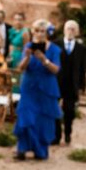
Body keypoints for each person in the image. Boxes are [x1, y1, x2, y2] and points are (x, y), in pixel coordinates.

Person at [14, 19, 62, 160]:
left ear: (47, 33)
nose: (39, 34)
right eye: (37, 31)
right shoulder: (28, 46)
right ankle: (22, 149)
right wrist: (28, 57)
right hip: (29, 86)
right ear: (33, 32)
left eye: (42, 31)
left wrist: (44, 60)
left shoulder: (54, 49)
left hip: (46, 87)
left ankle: (40, 150)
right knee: (25, 114)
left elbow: (56, 69)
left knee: (43, 119)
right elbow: (20, 68)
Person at [53, 20, 86, 145]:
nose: (70, 31)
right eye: (68, 28)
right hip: (57, 82)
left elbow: (83, 69)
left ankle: (67, 133)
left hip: (71, 84)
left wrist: (81, 86)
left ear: (77, 32)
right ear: (64, 30)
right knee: (55, 109)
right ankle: (56, 135)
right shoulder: (56, 44)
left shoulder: (81, 48)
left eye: (73, 29)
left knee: (69, 111)